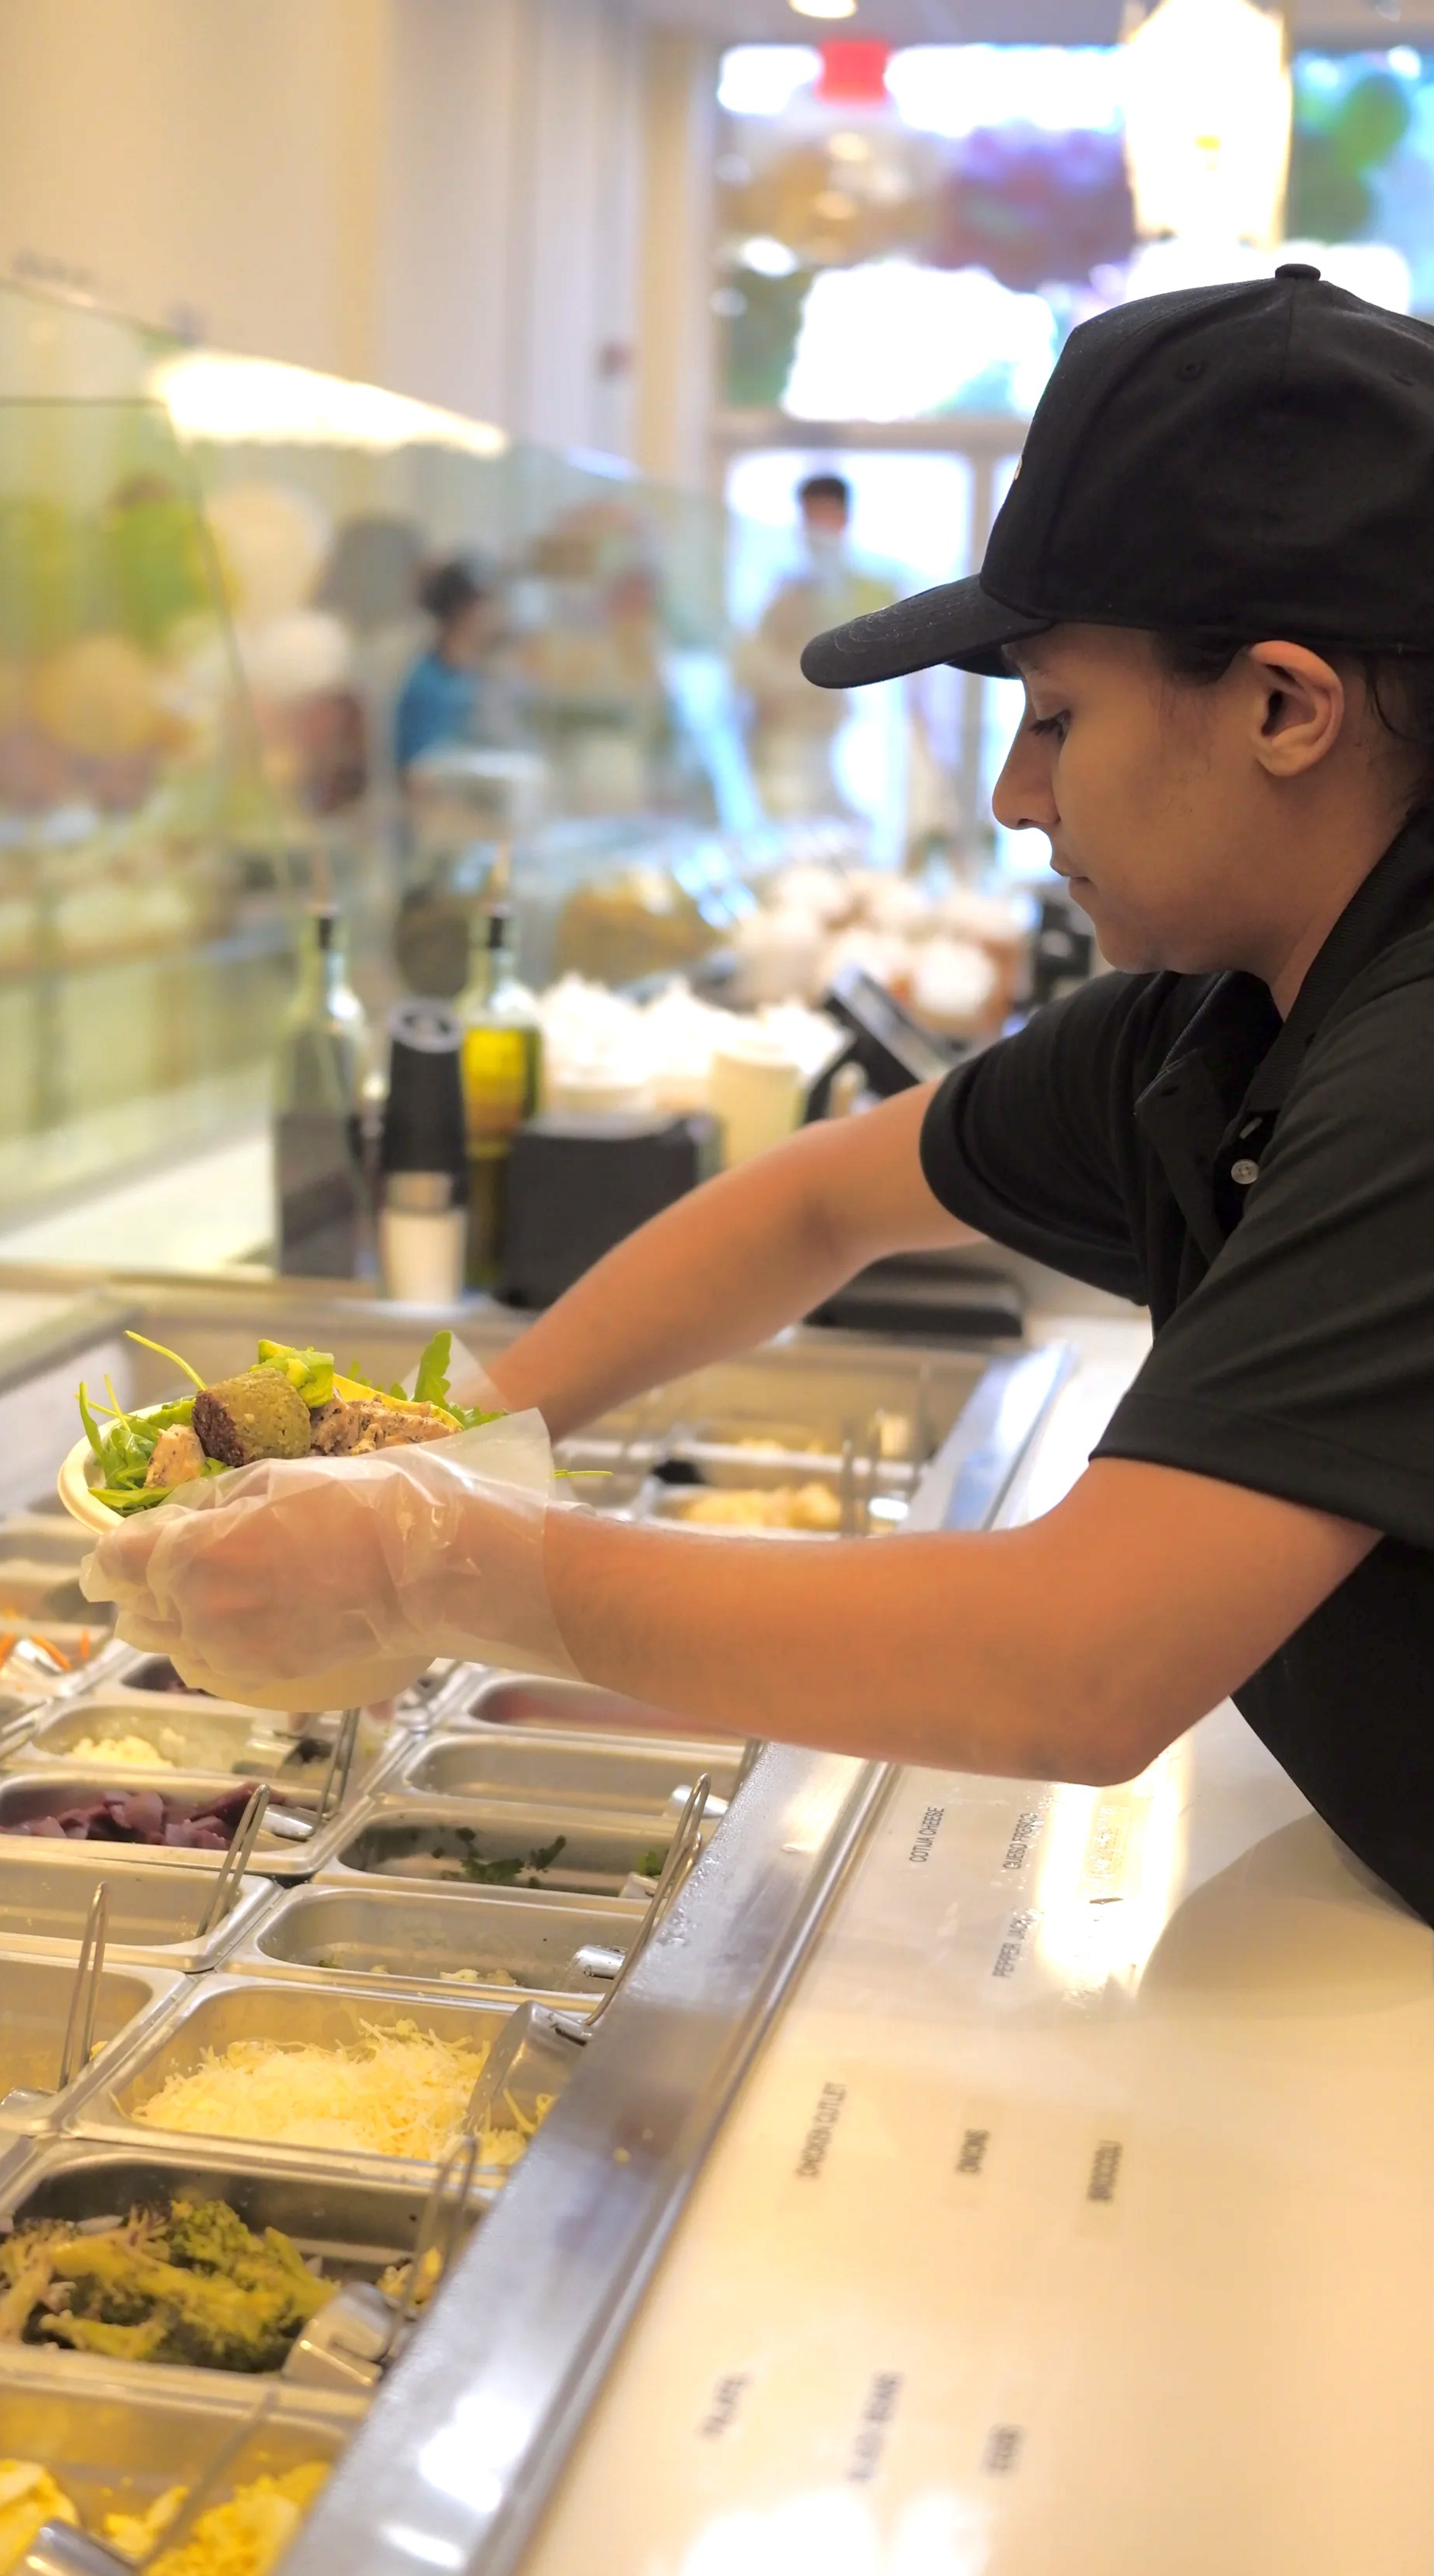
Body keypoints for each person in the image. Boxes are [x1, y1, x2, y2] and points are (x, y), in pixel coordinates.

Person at [83, 267, 1434, 1917]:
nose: (1016, 795)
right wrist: (451, 1453)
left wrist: (443, 1567)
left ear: (1285, 707)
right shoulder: (1220, 1013)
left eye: (1058, 716)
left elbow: (1075, 1670)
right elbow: (816, 1198)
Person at [734, 473, 895, 819]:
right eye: (809, 519)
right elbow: (756, 675)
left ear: (844, 519)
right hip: (794, 750)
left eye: (825, 517)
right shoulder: (785, 597)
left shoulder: (873, 591)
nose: (816, 530)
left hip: (852, 747)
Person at [393, 556, 498, 780]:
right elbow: (417, 774)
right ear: (464, 612)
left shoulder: (469, 677)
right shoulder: (428, 686)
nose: (494, 617)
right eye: (486, 607)